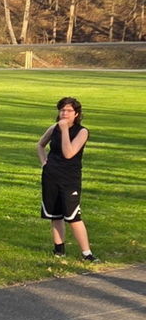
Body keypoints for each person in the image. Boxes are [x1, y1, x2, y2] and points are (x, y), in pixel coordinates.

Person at [37, 97, 97, 261]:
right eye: (62, 110)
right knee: (55, 215)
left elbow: (69, 153)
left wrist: (64, 131)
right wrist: (44, 163)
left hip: (69, 178)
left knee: (73, 216)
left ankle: (86, 253)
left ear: (76, 113)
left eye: (69, 110)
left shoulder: (82, 132)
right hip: (51, 176)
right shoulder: (54, 128)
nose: (64, 113)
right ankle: (59, 250)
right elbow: (40, 145)